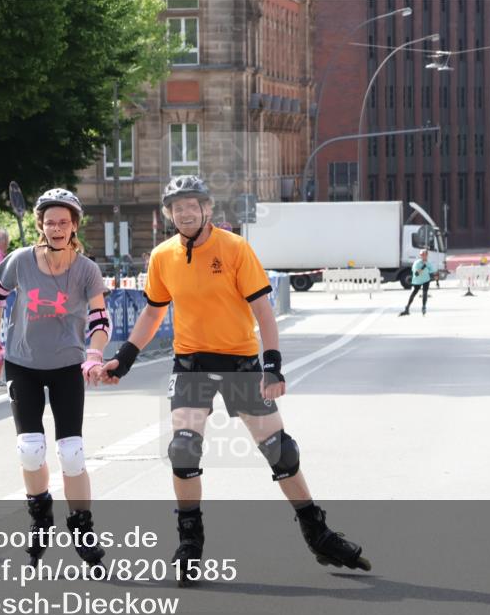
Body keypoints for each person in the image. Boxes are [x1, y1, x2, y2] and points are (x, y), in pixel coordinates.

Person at [100, 175, 371, 587]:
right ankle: (190, 542)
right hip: (191, 364)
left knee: (281, 451)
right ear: (168, 213)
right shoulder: (162, 255)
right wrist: (124, 358)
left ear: (208, 209)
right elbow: (154, 313)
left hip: (240, 363)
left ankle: (317, 531)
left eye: (193, 204)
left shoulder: (234, 248)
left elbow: (263, 311)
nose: (186, 212)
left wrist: (273, 364)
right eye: (178, 206)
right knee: (183, 450)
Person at [0, 188, 111, 568]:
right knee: (30, 448)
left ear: (74, 226)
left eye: (63, 222)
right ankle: (40, 518)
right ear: (41, 225)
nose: (56, 228)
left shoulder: (86, 270)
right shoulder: (21, 260)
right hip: (23, 364)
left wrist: (94, 353)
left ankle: (82, 527)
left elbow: (100, 320)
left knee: (71, 453)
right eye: (50, 222)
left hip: (68, 366)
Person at [399, 249, 437, 316]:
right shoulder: (417, 263)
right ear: (420, 256)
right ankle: (407, 307)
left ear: (427, 256)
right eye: (422, 255)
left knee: (425, 293)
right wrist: (423, 267)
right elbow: (416, 274)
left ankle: (424, 307)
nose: (423, 256)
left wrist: (435, 277)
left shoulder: (428, 263)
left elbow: (432, 272)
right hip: (417, 280)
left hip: (426, 280)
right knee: (414, 292)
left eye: (425, 255)